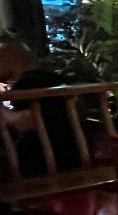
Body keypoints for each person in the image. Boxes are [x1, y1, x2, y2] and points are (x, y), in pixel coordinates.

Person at [0, 43, 81, 178]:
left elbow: (25, 122)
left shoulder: (27, 84)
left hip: (48, 163)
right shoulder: (55, 79)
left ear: (5, 58)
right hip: (76, 155)